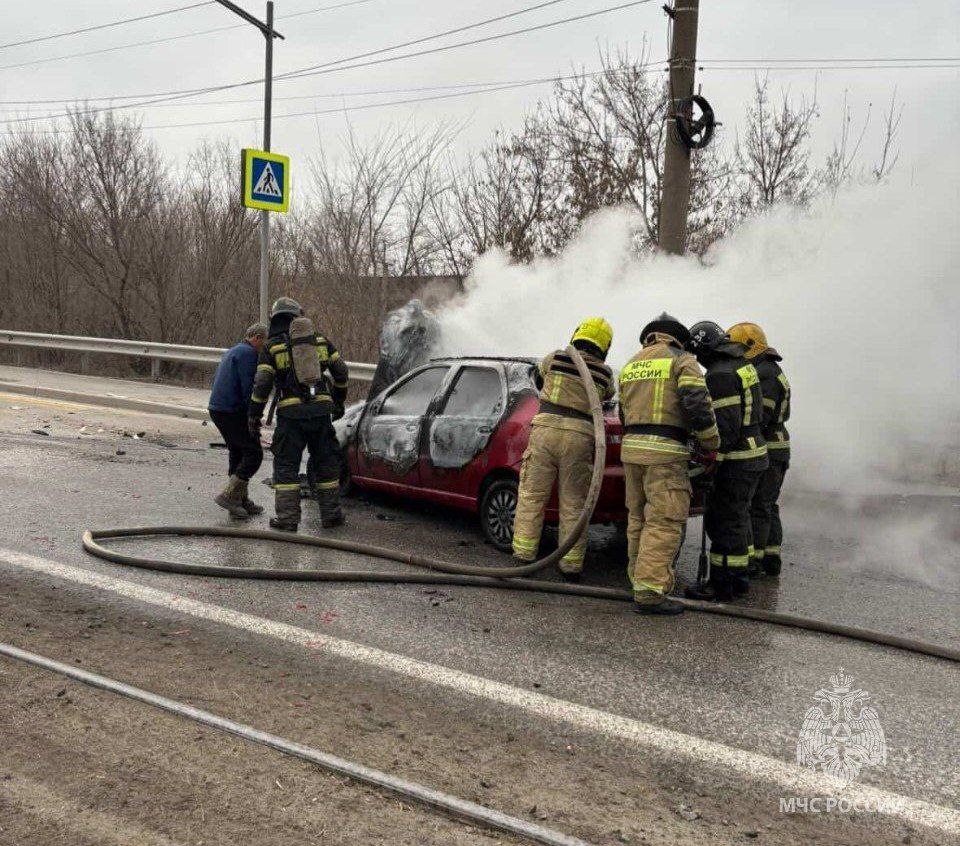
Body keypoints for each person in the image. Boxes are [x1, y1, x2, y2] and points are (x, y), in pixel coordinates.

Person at [618, 313, 720, 615]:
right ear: (679, 339)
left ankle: (638, 581)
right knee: (663, 522)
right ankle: (650, 592)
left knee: (637, 520)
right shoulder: (681, 360)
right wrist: (711, 444)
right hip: (665, 454)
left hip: (632, 452)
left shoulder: (632, 364)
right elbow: (698, 406)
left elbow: (624, 414)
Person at [512, 318, 615, 579]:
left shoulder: (555, 358)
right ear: (605, 345)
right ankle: (570, 565)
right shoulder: (604, 373)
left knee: (533, 495)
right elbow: (606, 397)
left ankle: (524, 556)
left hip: (546, 431)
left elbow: (538, 378)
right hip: (580, 436)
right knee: (574, 503)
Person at [248, 297, 350, 532]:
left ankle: (287, 519)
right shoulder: (320, 341)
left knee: (286, 466)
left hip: (291, 416)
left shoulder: (272, 346)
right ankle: (332, 516)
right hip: (321, 413)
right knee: (326, 464)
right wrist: (339, 401)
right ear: (298, 316)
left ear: (275, 319)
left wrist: (254, 416)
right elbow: (341, 371)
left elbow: (262, 383)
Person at [685, 321, 768, 601]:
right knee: (739, 519)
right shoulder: (742, 364)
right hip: (754, 454)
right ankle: (739, 579)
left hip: (737, 461)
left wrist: (711, 461)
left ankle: (722, 585)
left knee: (723, 522)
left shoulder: (719, 375)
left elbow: (727, 428)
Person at [728, 322, 791, 576]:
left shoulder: (764, 373)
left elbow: (760, 416)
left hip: (769, 446)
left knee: (759, 505)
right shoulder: (769, 369)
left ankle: (756, 560)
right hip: (776, 445)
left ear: (750, 347)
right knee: (767, 504)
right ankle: (770, 558)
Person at [209, 322, 268, 518]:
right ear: (257, 338)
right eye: (263, 342)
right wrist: (253, 416)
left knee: (238, 451)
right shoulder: (248, 354)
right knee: (253, 453)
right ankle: (230, 496)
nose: (263, 347)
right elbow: (247, 388)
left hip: (219, 409)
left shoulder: (234, 350)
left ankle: (240, 500)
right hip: (231, 410)